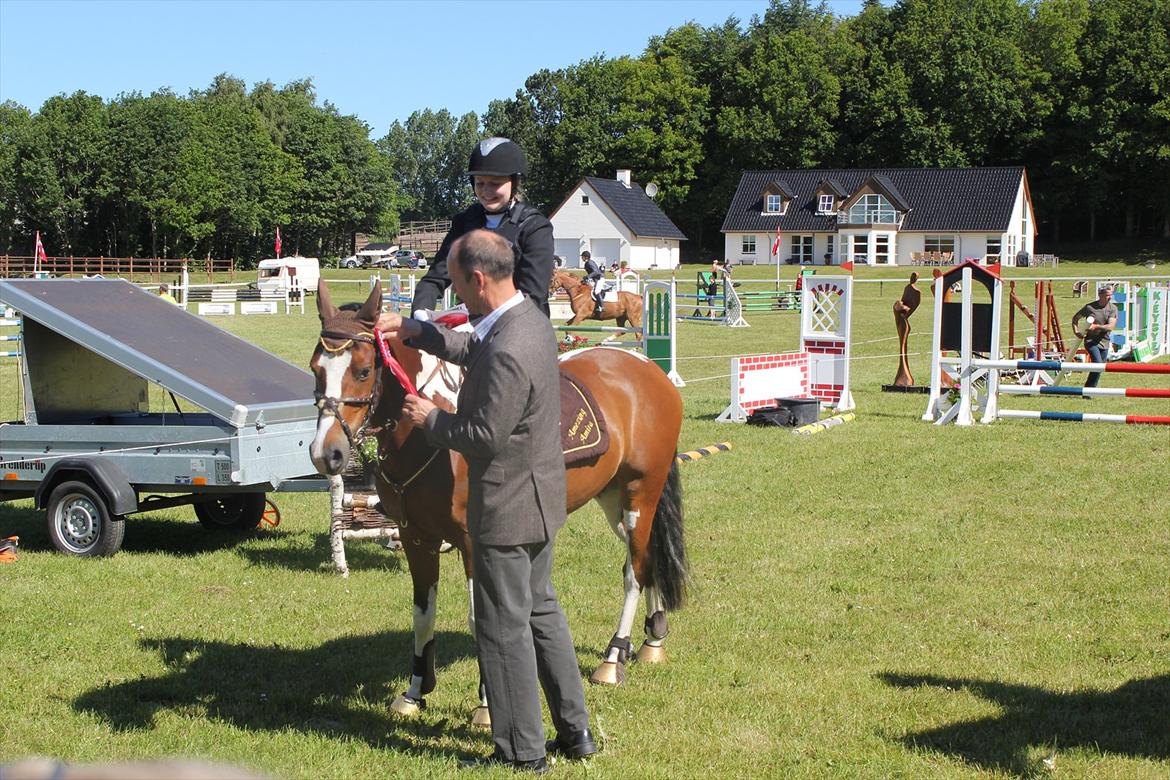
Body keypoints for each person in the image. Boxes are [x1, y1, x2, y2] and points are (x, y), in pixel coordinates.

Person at [377, 230, 596, 773]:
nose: (453, 293)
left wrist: (431, 420)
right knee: (542, 610)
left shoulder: (509, 347)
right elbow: (473, 347)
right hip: (542, 498)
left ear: (477, 279)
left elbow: (481, 438)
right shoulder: (527, 322)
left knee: (501, 629)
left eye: (454, 283)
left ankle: (522, 752)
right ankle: (577, 733)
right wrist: (413, 330)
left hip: (505, 508)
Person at [411, 137, 555, 318]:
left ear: (514, 183)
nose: (486, 191)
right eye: (480, 183)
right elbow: (435, 279)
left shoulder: (535, 227)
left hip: (520, 329)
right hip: (471, 330)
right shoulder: (464, 223)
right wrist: (420, 314)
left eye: (495, 184)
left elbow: (532, 296)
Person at [1072, 284, 1118, 388]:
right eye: (1107, 295)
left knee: (1099, 368)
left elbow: (1110, 326)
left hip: (1105, 342)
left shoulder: (1113, 309)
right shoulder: (1089, 307)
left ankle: (1089, 389)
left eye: (1110, 295)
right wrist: (1076, 331)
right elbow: (1075, 318)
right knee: (1097, 364)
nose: (1110, 297)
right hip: (1091, 342)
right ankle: (1088, 391)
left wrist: (1096, 326)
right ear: (1100, 295)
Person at [581, 250, 606, 315]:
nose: (581, 258)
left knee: (596, 291)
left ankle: (602, 307)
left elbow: (596, 272)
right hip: (596, 279)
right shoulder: (588, 262)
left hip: (600, 278)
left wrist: (587, 277)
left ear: (586, 257)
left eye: (582, 257)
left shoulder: (589, 262)